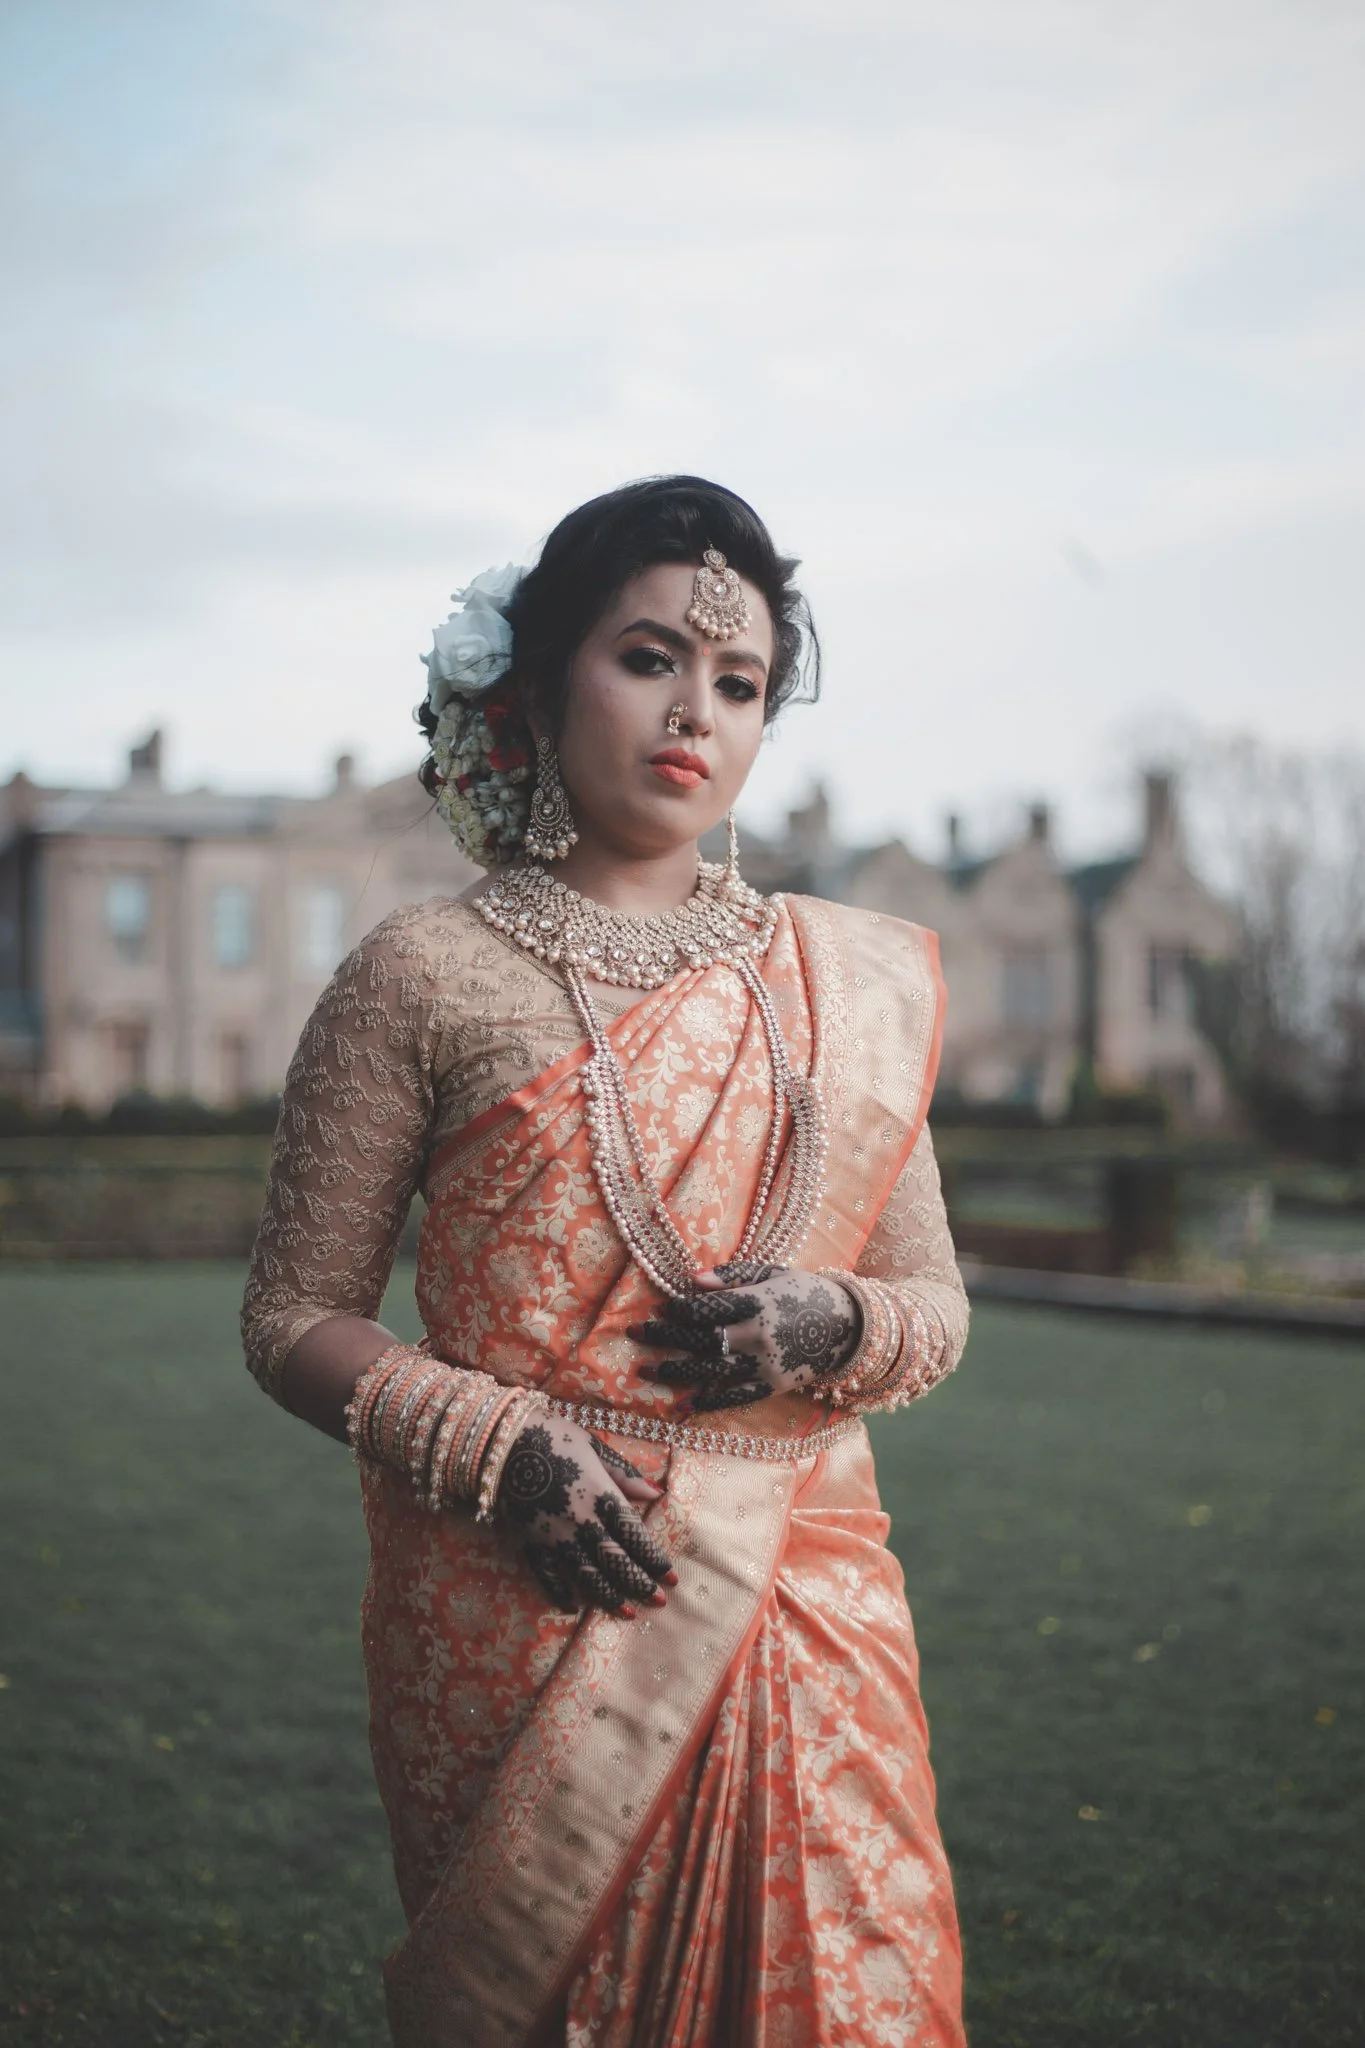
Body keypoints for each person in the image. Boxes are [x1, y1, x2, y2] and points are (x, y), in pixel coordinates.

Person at [241, 475, 970, 2048]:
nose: (695, 710)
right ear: (543, 675)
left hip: (801, 1597)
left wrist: (830, 1319)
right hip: (518, 1603)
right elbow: (292, 1316)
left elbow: (935, 1308)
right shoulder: (421, 974)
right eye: (649, 658)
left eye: (740, 681)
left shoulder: (839, 986)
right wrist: (499, 1448)